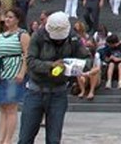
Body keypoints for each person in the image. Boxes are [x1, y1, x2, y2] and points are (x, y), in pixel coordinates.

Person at [17, 11, 94, 144]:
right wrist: (50, 66)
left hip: (58, 92)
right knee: (25, 137)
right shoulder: (38, 36)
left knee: (54, 139)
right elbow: (30, 61)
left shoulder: (72, 38)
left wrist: (72, 66)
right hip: (36, 90)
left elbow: (88, 60)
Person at [0, 8, 30, 144]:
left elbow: (27, 55)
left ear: (17, 19)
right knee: (2, 107)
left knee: (11, 107)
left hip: (13, 72)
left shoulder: (22, 35)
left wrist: (22, 72)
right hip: (0, 73)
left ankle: (8, 139)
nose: (7, 20)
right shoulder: (1, 35)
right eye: (7, 17)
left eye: (11, 17)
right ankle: (1, 137)